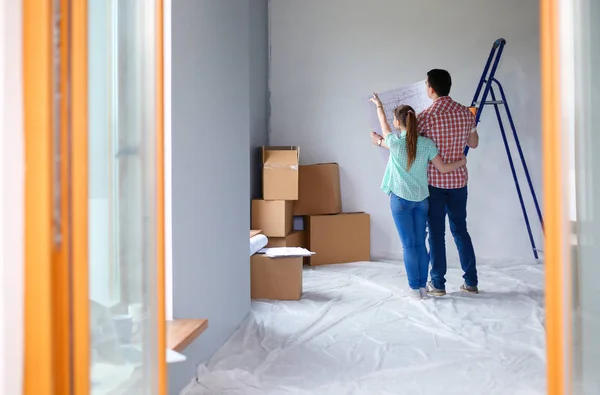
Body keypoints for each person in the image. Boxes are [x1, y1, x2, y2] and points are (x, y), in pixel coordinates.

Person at [369, 93, 466, 300]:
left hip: (400, 201)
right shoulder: (427, 144)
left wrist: (379, 105)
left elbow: (383, 123)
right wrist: (461, 162)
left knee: (409, 245)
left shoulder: (394, 142)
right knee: (421, 243)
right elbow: (443, 168)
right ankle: (422, 286)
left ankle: (414, 288)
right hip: (422, 201)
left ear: (397, 122)